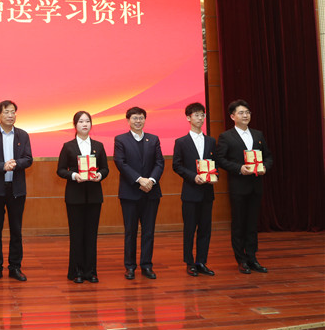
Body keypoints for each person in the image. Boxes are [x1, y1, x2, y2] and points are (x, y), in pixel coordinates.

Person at [215, 99, 273, 274]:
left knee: (252, 224)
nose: (245, 115)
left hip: (256, 186)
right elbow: (220, 159)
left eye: (247, 112)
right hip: (238, 186)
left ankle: (252, 258)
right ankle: (241, 259)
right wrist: (239, 168)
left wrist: (265, 167)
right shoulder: (226, 137)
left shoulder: (258, 135)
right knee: (239, 224)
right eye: (241, 113)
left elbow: (268, 156)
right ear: (232, 116)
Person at [0, 100, 33, 282]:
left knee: (16, 230)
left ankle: (15, 267)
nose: (10, 115)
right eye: (6, 112)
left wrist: (15, 164)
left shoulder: (23, 135)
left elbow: (28, 158)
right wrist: (3, 166)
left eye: (13, 112)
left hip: (16, 189)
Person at [56, 111, 109, 283]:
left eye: (87, 121)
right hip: (75, 196)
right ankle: (76, 271)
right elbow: (60, 170)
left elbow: (105, 168)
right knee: (76, 234)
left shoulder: (99, 146)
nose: (84, 124)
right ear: (75, 125)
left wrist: (100, 175)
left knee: (91, 235)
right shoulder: (68, 146)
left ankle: (91, 271)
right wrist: (73, 176)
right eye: (81, 121)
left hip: (94, 196)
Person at [114, 106, 164, 280]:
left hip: (151, 192)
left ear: (145, 120)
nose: (138, 121)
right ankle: (130, 266)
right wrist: (139, 180)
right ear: (128, 120)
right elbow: (120, 163)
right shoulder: (121, 140)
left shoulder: (153, 139)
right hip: (130, 193)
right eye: (134, 118)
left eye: (141, 118)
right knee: (131, 231)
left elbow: (159, 163)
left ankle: (147, 265)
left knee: (149, 231)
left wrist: (151, 180)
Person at [172, 102, 217, 277]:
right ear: (188, 118)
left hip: (207, 192)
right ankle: (190, 262)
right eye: (196, 115)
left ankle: (201, 262)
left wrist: (215, 176)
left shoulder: (211, 141)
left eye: (202, 115)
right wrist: (193, 176)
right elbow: (177, 165)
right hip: (190, 192)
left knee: (205, 229)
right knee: (190, 229)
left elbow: (215, 164)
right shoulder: (181, 142)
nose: (200, 118)